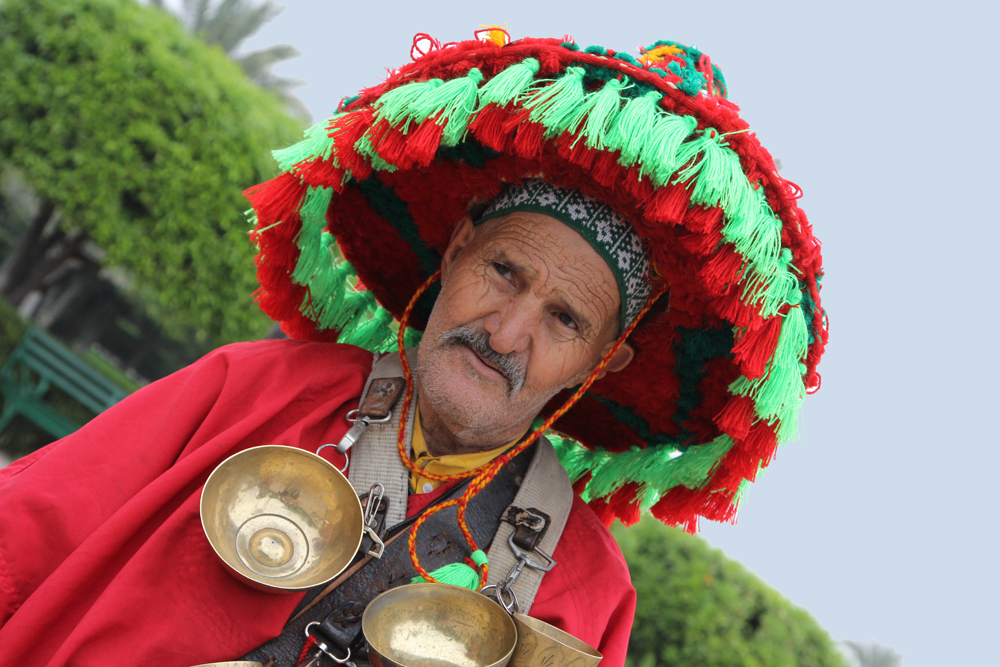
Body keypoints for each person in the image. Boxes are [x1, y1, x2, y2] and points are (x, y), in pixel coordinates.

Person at [0, 29, 827, 667]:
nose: (506, 333)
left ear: (602, 361)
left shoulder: (588, 594)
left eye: (565, 319)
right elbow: (23, 531)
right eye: (504, 270)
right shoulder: (254, 388)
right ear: (456, 247)